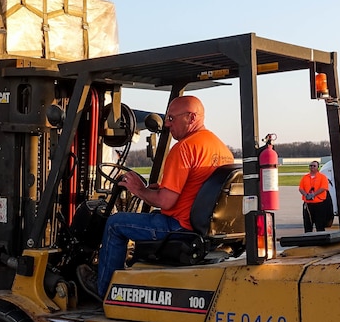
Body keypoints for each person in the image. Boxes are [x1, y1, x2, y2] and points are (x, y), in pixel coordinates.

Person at [77, 95, 234, 303]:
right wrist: (157, 189)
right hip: (205, 228)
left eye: (171, 118)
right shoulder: (220, 148)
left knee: (116, 223)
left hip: (180, 227)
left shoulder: (185, 148)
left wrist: (139, 190)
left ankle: (104, 289)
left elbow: (166, 202)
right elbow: (195, 187)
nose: (167, 124)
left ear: (191, 117)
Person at [298, 160, 332, 232]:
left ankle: (321, 238)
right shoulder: (305, 177)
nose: (312, 167)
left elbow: (324, 188)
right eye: (311, 166)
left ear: (318, 168)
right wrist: (306, 195)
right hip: (308, 203)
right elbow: (301, 188)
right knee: (307, 223)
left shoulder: (322, 177)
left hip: (319, 203)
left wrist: (314, 194)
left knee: (319, 223)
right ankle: (308, 238)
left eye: (314, 166)